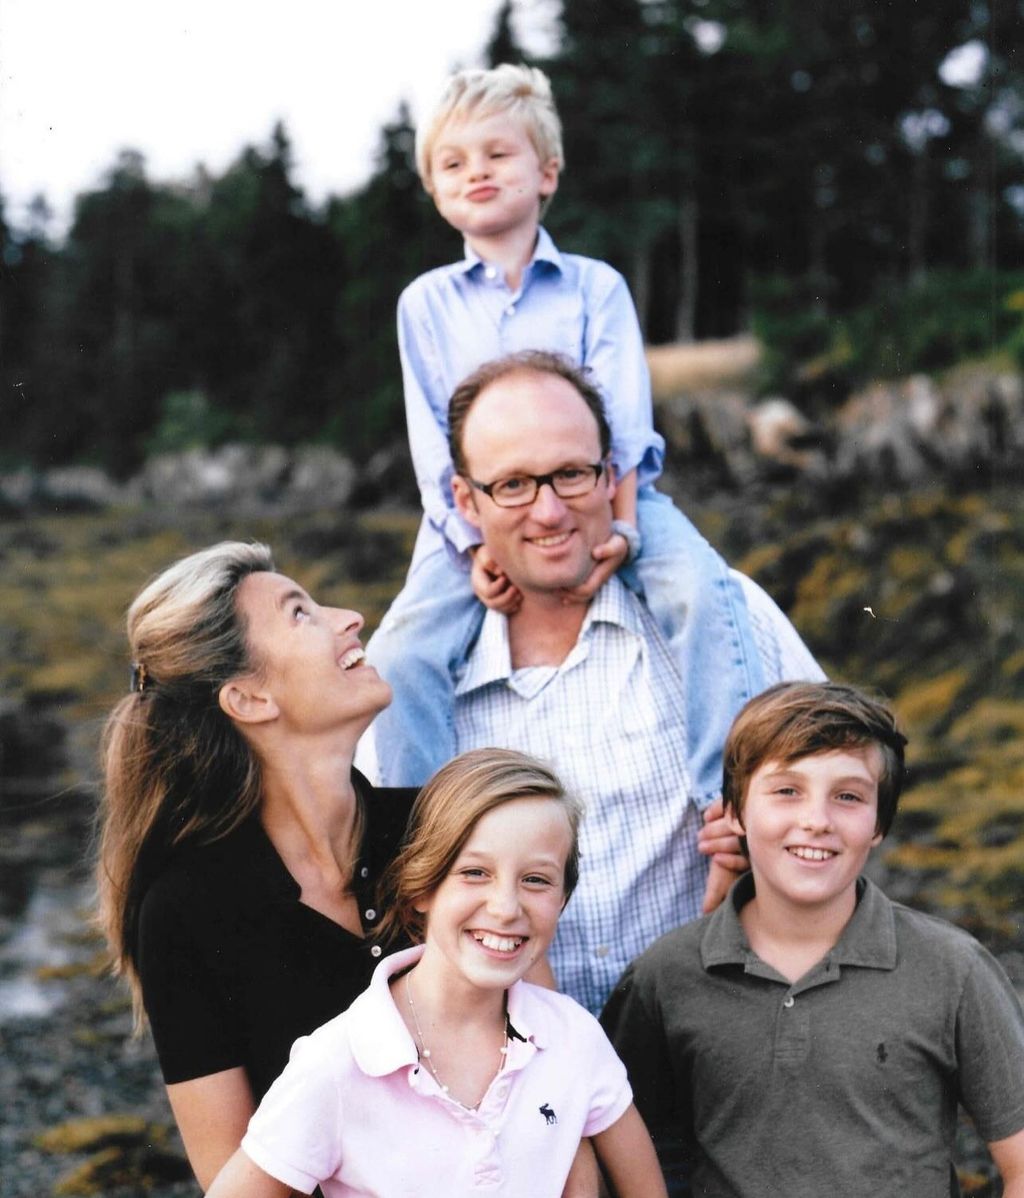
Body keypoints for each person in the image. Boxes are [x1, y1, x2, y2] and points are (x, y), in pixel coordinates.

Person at [358, 350, 824, 1016]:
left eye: (572, 474)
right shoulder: (407, 685)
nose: (548, 512)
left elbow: (840, 807)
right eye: (513, 485)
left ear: (612, 475)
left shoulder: (727, 618)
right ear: (464, 500)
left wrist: (771, 845)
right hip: (515, 1081)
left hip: (725, 1052)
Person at [367, 63, 764, 793]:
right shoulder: (423, 304)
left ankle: (728, 801)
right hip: (472, 517)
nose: (476, 173)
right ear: (433, 189)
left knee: (707, 596)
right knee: (398, 658)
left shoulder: (595, 285)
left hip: (605, 494)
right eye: (453, 163)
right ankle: (416, 846)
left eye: (498, 155)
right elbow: (431, 443)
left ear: (546, 172)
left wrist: (621, 527)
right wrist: (472, 542)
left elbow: (623, 420)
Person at [602, 681, 1024, 1197]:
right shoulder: (665, 977)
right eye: (786, 791)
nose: (816, 821)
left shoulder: (951, 968)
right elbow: (615, 1155)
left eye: (848, 797)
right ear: (733, 811)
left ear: (878, 825)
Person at [205, 749, 669, 1198]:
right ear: (422, 886)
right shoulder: (336, 1062)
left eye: (536, 879)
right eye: (474, 872)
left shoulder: (574, 1037)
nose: (506, 907)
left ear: (563, 898)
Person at [95, 541, 414, 1190]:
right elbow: (230, 1180)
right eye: (301, 613)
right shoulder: (187, 913)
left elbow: (555, 1076)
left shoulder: (441, 831)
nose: (350, 616)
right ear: (248, 700)